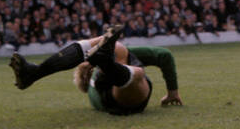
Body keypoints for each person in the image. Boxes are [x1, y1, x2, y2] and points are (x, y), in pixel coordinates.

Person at [9, 25, 182, 114]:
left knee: (116, 54)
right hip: (125, 96)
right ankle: (107, 63)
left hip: (111, 86)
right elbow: (164, 55)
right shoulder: (95, 91)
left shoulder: (91, 93)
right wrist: (173, 91)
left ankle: (34, 73)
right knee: (137, 71)